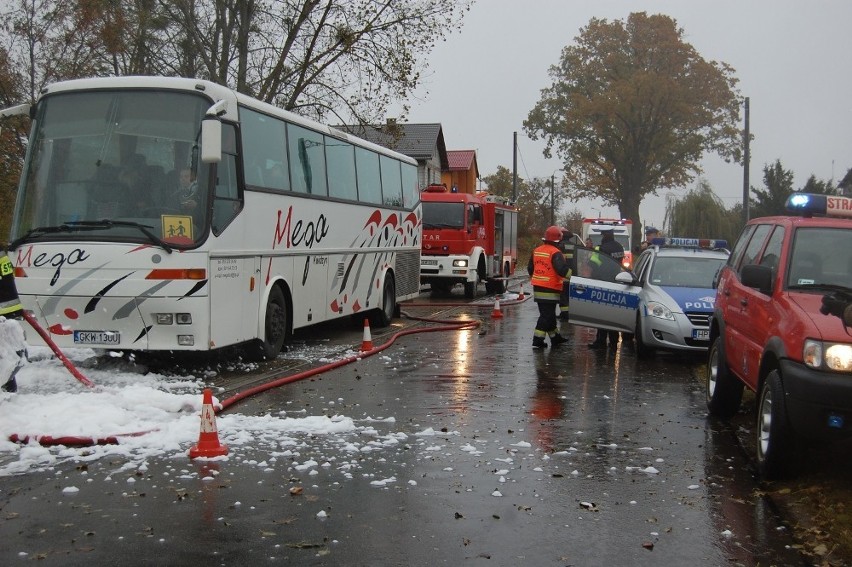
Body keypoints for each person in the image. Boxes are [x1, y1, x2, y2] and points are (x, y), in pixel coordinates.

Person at [527, 226, 570, 349]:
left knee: (549, 314)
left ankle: (555, 338)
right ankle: (538, 339)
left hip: (538, 287)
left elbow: (530, 268)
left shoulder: (537, 250)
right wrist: (575, 276)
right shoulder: (555, 252)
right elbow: (561, 270)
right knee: (546, 315)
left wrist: (538, 278)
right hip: (551, 288)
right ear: (558, 240)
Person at [588, 229, 625, 349]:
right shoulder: (620, 247)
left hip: (602, 282)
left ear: (604, 236)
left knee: (602, 314)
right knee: (612, 314)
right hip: (616, 281)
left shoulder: (601, 248)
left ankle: (601, 341)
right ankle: (614, 342)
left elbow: (592, 264)